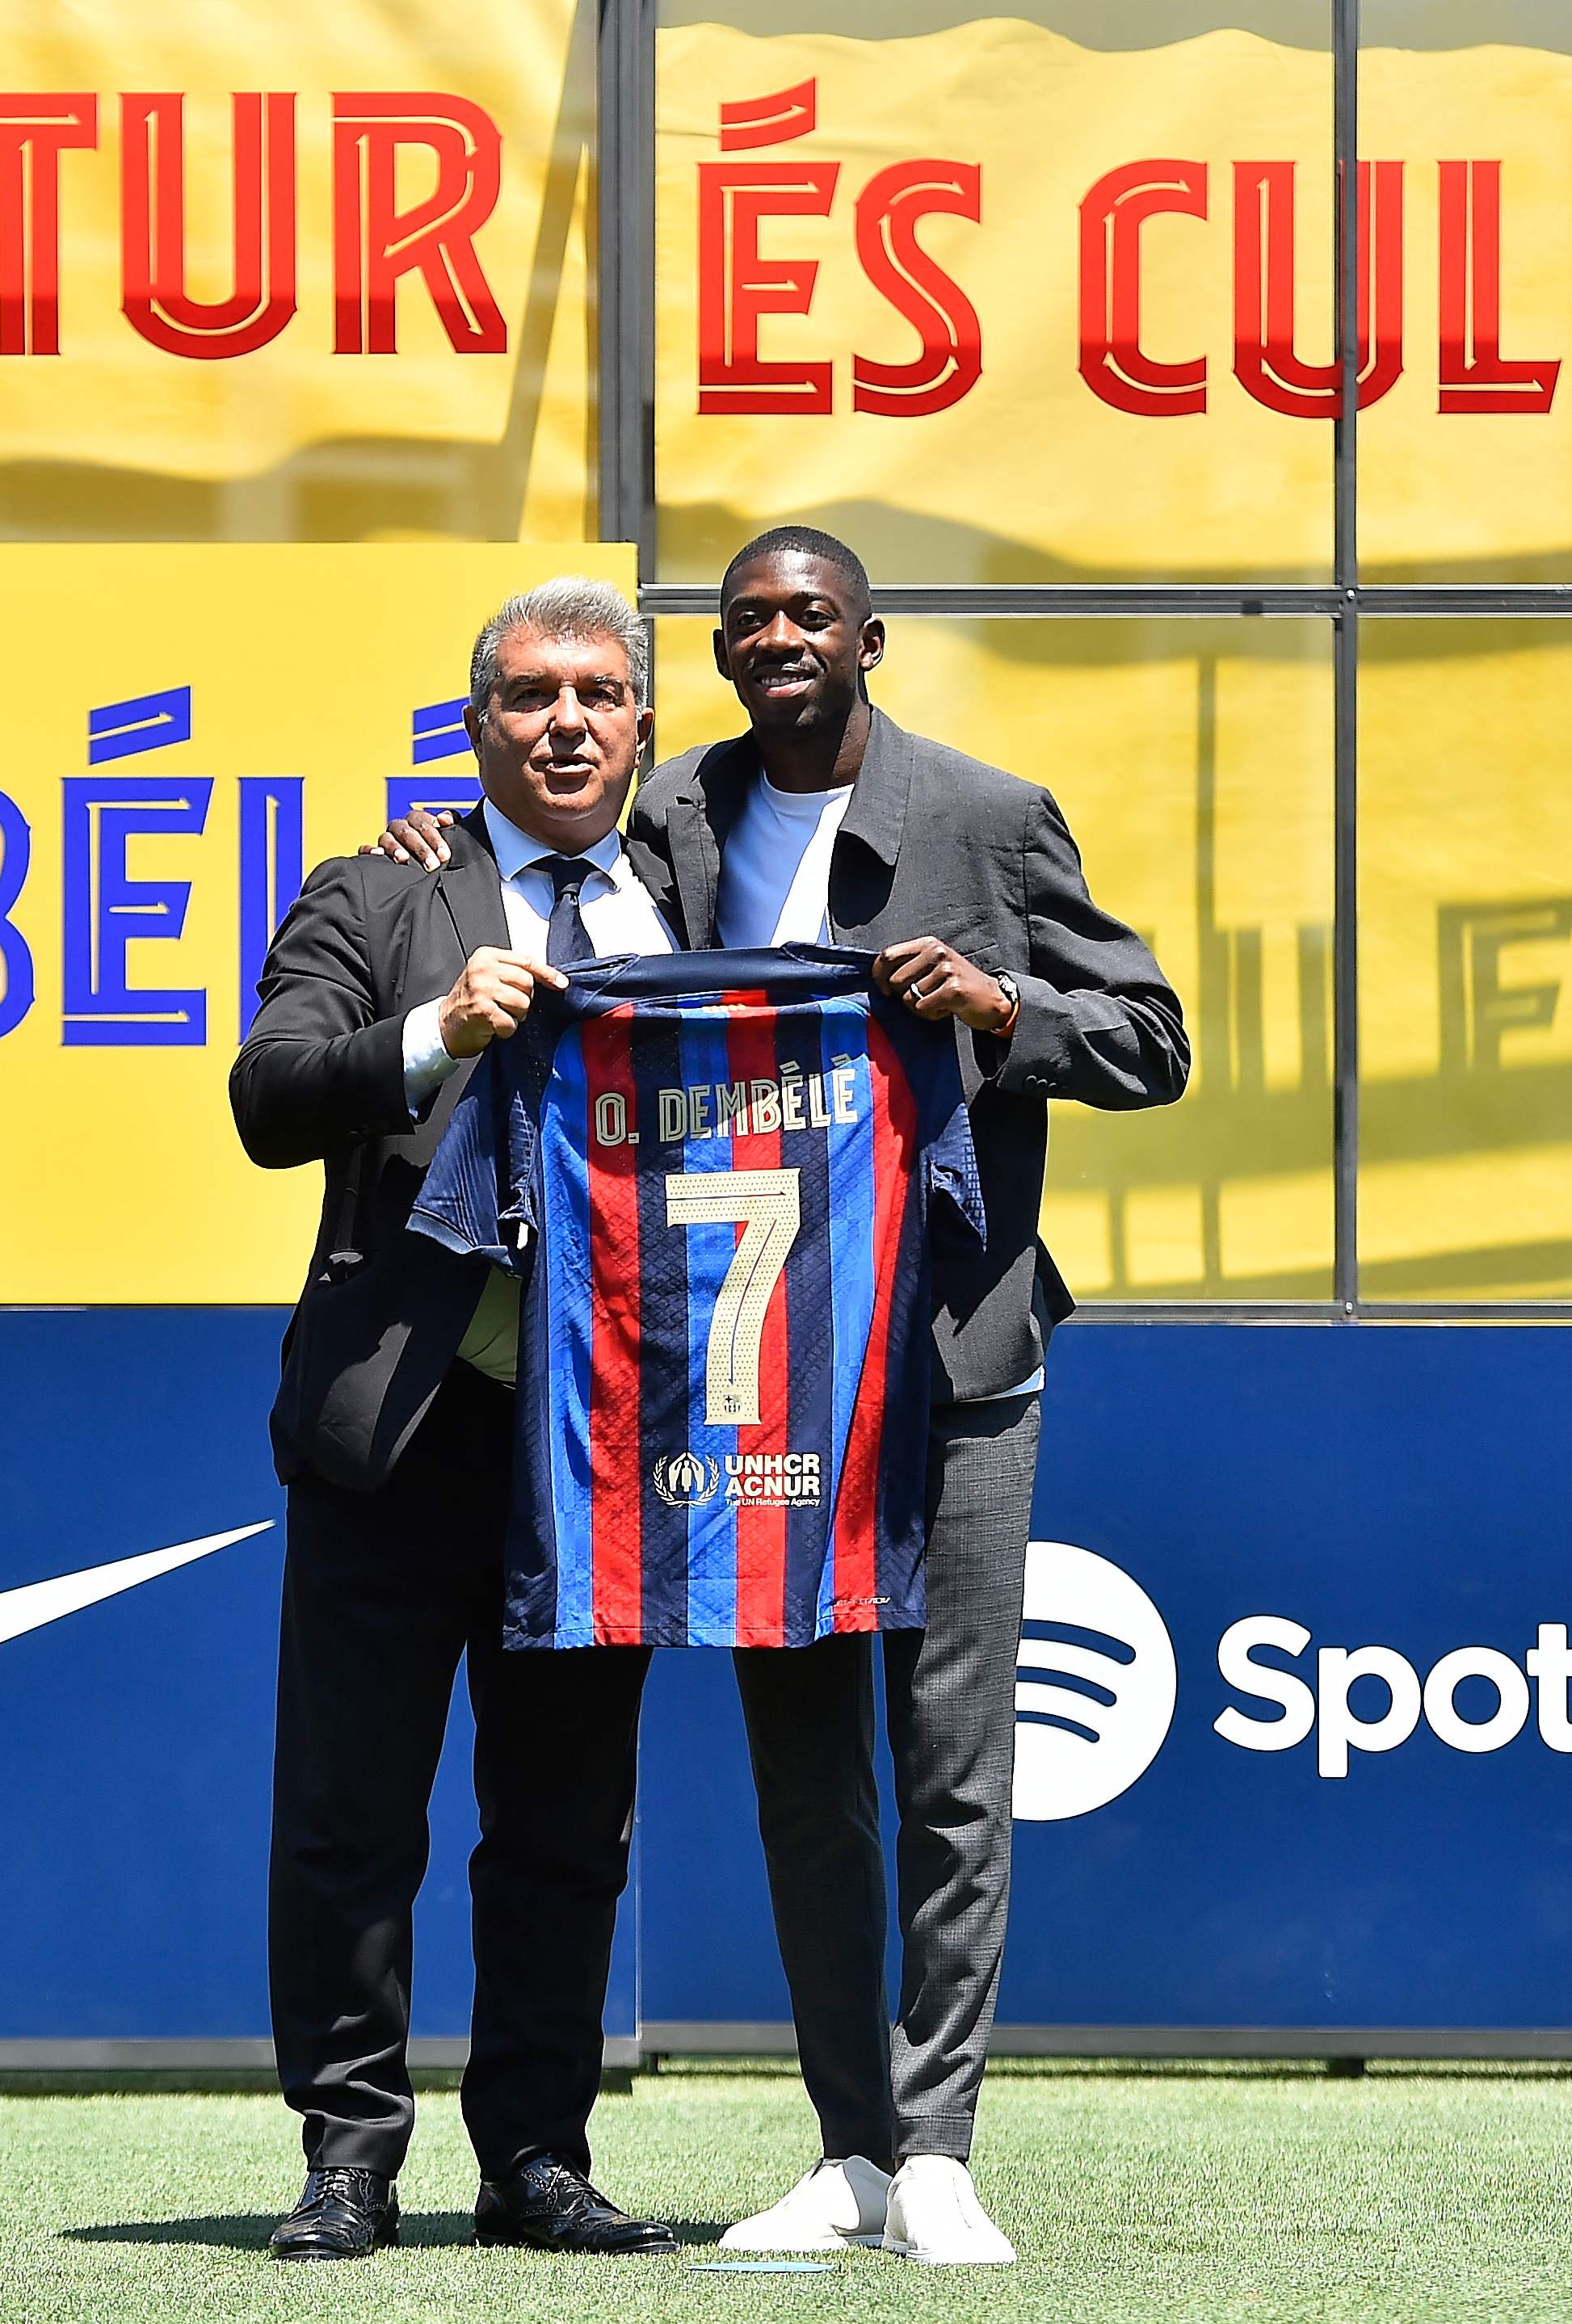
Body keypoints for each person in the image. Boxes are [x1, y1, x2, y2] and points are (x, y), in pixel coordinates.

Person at [374, 527, 1187, 2264]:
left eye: (806, 612)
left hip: (950, 1355)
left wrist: (1003, 999)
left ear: (867, 637)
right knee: (802, 1772)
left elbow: (1151, 1035)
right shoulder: (673, 813)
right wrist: (434, 846)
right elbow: (545, 870)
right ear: (719, 658)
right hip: (752, 1371)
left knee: (950, 1756)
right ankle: (852, 2149)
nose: (776, 636)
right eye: (744, 618)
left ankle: (942, 2140)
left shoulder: (986, 815)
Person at [229, 577, 680, 2263]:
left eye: (596, 694)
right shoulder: (378, 886)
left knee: (565, 1820)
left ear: (639, 726)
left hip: (606, 1442)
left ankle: (537, 2157)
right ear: (474, 724)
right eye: (526, 695)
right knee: (351, 1810)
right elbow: (269, 1094)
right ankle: (347, 2154)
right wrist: (433, 1028)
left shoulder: (688, 893)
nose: (563, 721)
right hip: (402, 1427)